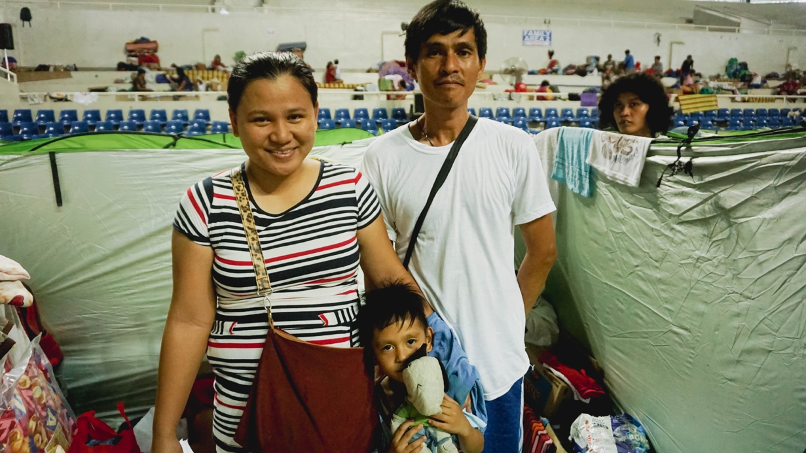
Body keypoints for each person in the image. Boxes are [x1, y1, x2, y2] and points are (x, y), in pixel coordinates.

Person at [152, 51, 420, 453]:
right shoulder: (207, 203)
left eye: (294, 116)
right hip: (245, 424)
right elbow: (189, 321)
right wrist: (164, 432)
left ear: (315, 113)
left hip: (341, 418)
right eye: (262, 119)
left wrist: (444, 361)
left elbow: (390, 282)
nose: (281, 135)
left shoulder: (349, 189)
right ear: (234, 121)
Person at [362, 1, 558, 452]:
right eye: (435, 51)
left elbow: (543, 250)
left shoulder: (512, 147)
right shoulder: (382, 158)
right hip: (418, 366)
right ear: (411, 64)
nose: (450, 65)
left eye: (463, 51)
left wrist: (508, 320)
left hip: (498, 366)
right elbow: (376, 261)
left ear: (480, 64)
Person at [358, 282, 485, 453]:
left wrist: (464, 428)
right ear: (373, 355)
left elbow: (477, 448)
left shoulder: (450, 388)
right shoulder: (375, 401)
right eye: (388, 347)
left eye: (410, 341)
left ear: (428, 339)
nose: (402, 356)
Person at [598, 72, 673, 138]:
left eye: (633, 104)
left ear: (653, 108)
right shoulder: (602, 147)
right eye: (618, 105)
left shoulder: (670, 151)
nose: (624, 113)